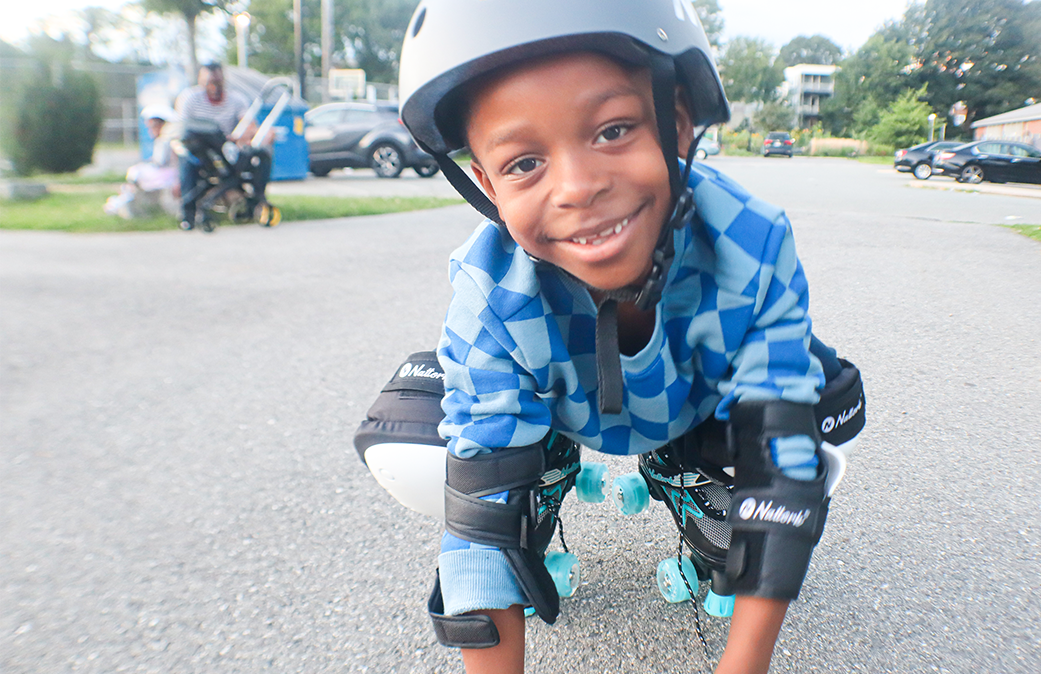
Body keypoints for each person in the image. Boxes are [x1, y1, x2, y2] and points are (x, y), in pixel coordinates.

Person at [355, 1, 866, 672]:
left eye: (614, 130)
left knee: (817, 419)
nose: (577, 188)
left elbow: (781, 463)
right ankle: (545, 476)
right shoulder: (490, 290)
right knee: (441, 466)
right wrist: (499, 519)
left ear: (677, 126)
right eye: (523, 163)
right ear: (485, 185)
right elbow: (480, 507)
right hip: (558, 414)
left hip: (695, 408)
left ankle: (687, 470)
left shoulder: (751, 240)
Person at [173, 62, 270, 231]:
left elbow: (249, 125)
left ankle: (256, 202)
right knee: (187, 160)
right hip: (200, 150)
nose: (214, 87)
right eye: (209, 82)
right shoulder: (190, 98)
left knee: (262, 154)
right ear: (201, 81)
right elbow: (182, 129)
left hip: (228, 148)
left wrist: (246, 134)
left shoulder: (236, 99)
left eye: (217, 82)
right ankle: (188, 214)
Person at [103, 105, 180, 219]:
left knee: (135, 172)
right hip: (168, 173)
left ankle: (123, 201)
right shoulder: (165, 140)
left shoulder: (165, 140)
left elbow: (160, 162)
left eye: (152, 126)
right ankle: (125, 199)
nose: (150, 130)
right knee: (136, 174)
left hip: (169, 175)